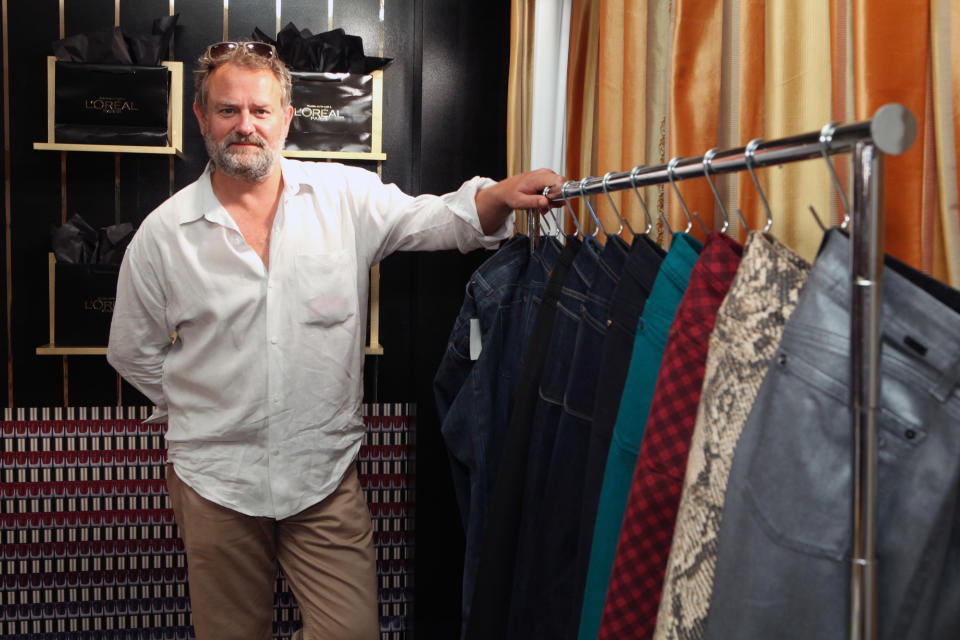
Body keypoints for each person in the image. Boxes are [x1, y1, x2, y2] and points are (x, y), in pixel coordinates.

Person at [106, 40, 564, 640]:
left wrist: (498, 196)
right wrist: (204, 404)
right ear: (200, 118)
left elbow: (433, 219)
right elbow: (132, 350)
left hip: (323, 479)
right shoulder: (163, 235)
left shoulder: (343, 197)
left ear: (286, 118)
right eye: (227, 110)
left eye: (260, 110)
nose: (245, 125)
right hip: (216, 482)